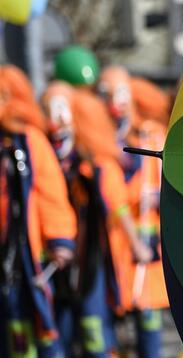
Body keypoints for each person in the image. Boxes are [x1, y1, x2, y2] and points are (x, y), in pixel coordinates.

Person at [41, 83, 153, 357]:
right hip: (60, 263)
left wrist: (137, 244)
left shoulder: (97, 164)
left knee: (95, 329)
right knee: (62, 331)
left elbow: (117, 206)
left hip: (93, 260)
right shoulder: (46, 159)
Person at [0, 66, 77, 358]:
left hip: (24, 258)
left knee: (34, 327)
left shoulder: (30, 141)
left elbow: (50, 193)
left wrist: (59, 239)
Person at [97, 67, 170, 358]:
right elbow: (113, 196)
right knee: (115, 316)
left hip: (146, 241)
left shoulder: (149, 136)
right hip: (113, 244)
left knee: (148, 313)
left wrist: (161, 196)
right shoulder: (100, 143)